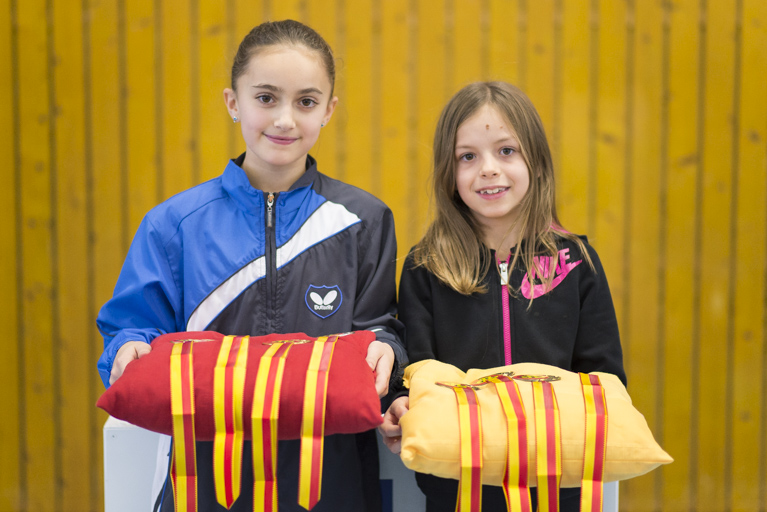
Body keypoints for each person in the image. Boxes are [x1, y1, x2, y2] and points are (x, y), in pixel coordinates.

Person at [96, 19, 406, 512]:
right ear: (233, 102)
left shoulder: (363, 220)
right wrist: (127, 347)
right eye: (266, 98)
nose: (285, 119)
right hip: (204, 484)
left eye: (306, 102)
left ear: (329, 110)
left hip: (332, 482)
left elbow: (379, 327)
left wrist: (388, 349)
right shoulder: (173, 225)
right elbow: (132, 329)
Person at [378, 81, 625, 512]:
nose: (488, 169)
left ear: (537, 161)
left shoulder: (576, 263)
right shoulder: (426, 266)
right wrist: (396, 402)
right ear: (449, 173)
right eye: (468, 157)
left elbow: (604, 380)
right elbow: (413, 373)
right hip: (457, 489)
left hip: (558, 488)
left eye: (506, 151)